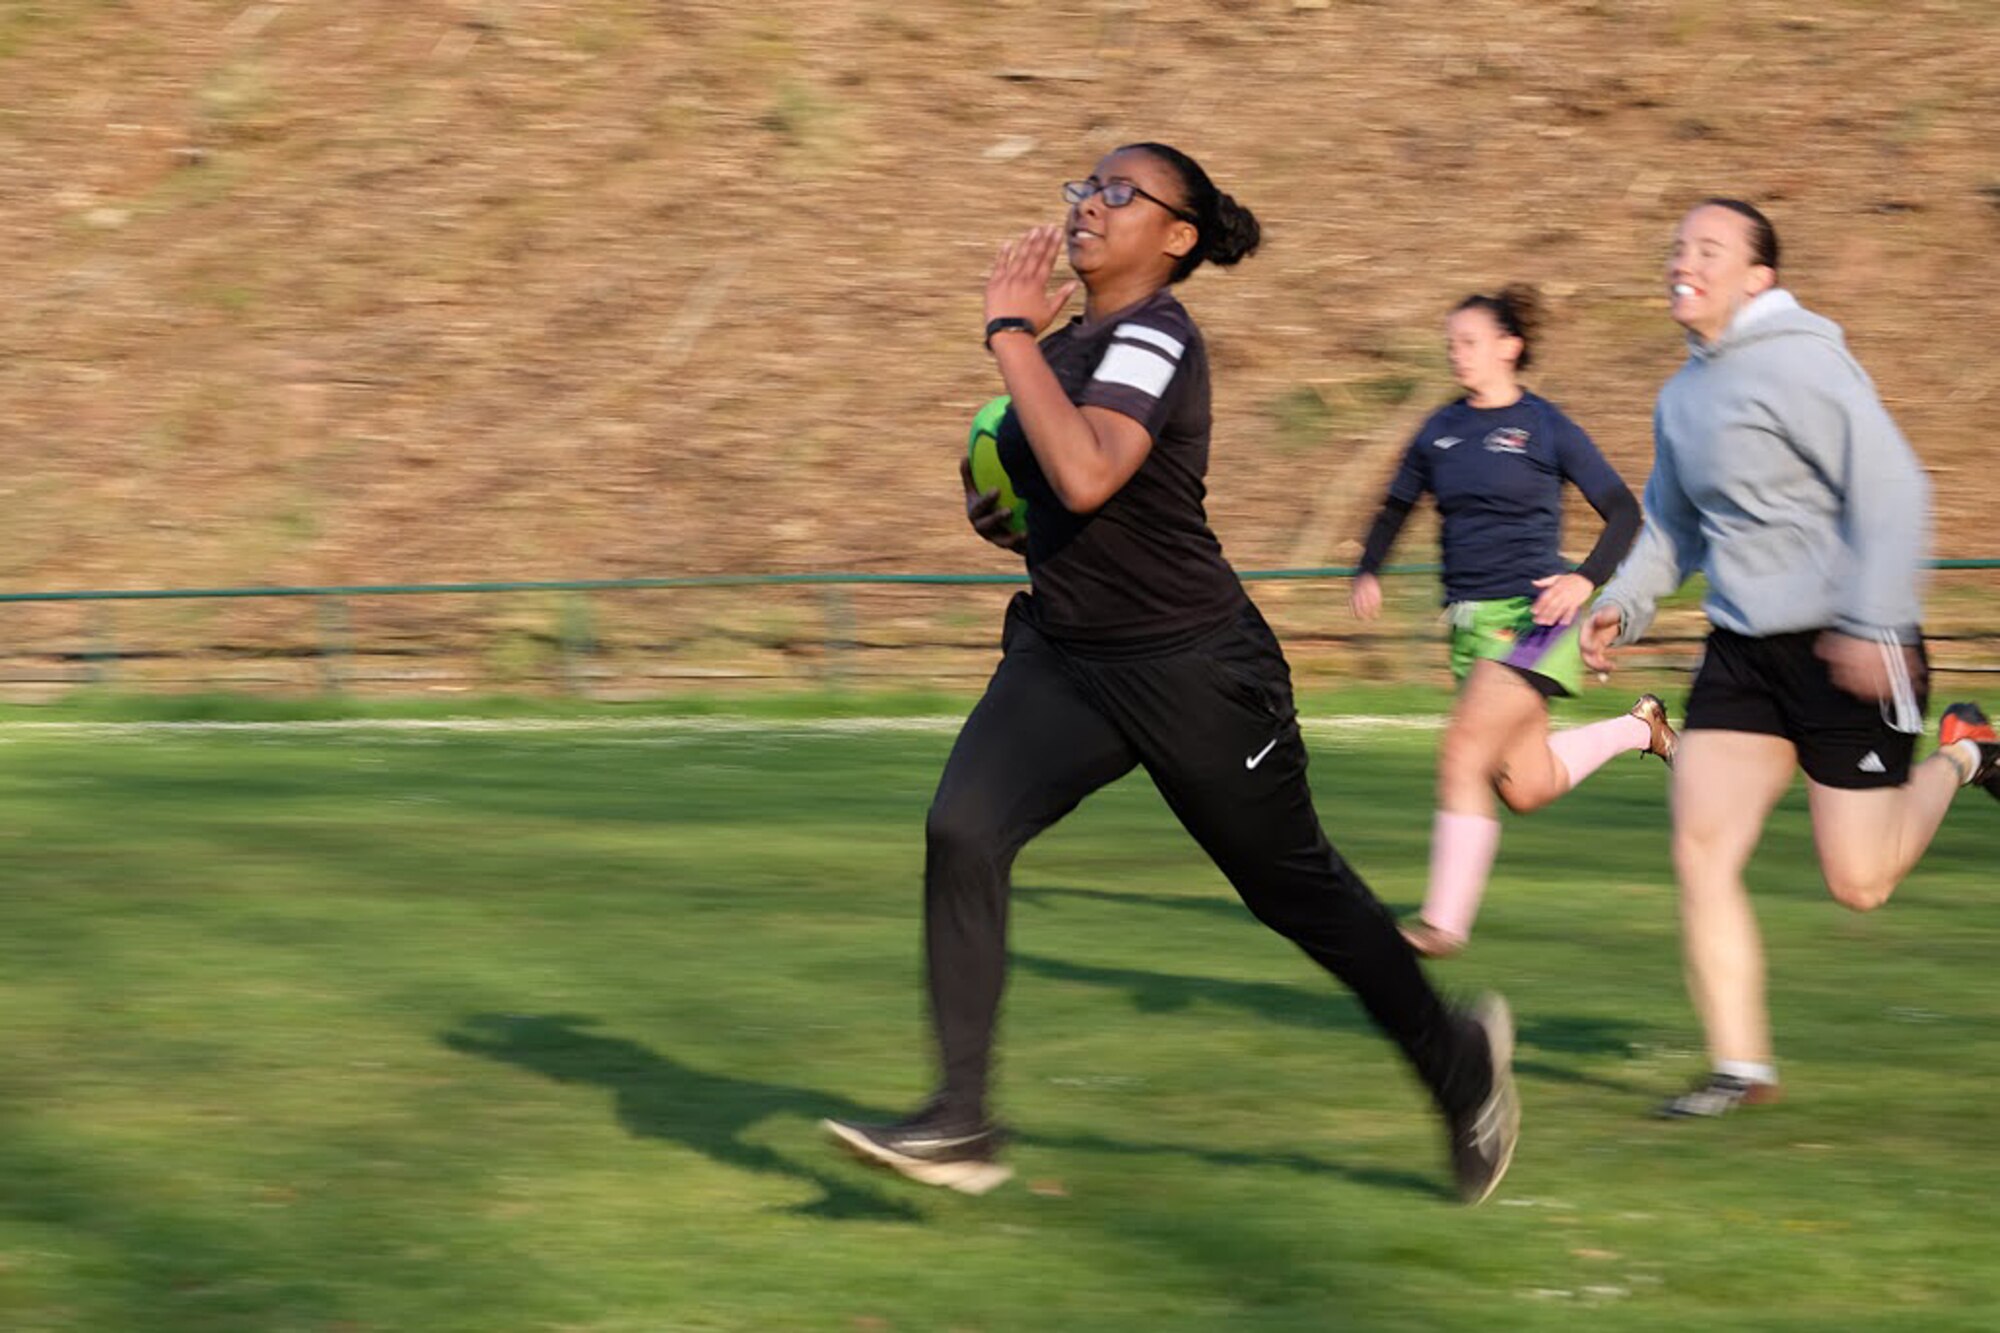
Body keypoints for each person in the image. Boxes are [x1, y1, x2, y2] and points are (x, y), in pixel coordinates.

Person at [821, 143, 1519, 1203]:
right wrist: (1000, 495)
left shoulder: (1153, 335)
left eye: (1117, 192)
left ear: (1176, 236)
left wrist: (1005, 333)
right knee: (961, 827)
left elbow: (1093, 470)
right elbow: (1038, 489)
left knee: (1298, 895)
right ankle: (960, 1120)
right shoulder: (1066, 347)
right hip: (1068, 658)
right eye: (1082, 187)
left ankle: (1457, 1063)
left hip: (1194, 669)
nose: (1087, 205)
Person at [1581, 197, 2000, 1118]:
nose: (1683, 260)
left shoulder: (1805, 363)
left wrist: (1872, 619)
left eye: (1710, 248)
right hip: (1743, 651)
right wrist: (1623, 601)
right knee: (1700, 846)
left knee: (1861, 881)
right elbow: (1674, 526)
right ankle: (1741, 1066)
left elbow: (1896, 488)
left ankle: (1967, 753)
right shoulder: (1683, 393)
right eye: (1678, 246)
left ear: (1758, 277)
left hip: (1851, 644)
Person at [1351, 285, 1671, 959]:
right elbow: (1395, 506)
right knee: (1526, 786)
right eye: (1450, 345)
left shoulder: (1545, 424)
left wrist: (1585, 578)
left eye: (1469, 342)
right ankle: (1639, 727)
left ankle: (1443, 923)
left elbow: (1622, 510)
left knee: (1463, 751)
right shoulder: (1438, 429)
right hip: (1470, 624)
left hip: (1537, 617)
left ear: (1509, 346)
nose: (1457, 355)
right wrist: (1370, 567)